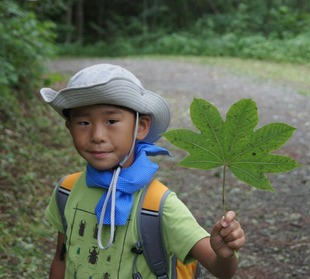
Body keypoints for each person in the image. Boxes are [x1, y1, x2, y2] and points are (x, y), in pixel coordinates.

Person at [40, 63, 245, 279]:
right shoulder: (66, 191)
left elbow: (221, 270)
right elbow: (61, 259)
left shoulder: (160, 205)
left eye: (111, 121)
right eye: (83, 122)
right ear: (69, 127)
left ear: (141, 126)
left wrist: (224, 254)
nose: (97, 135)